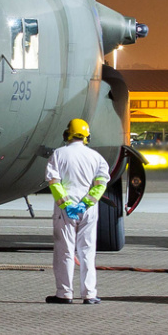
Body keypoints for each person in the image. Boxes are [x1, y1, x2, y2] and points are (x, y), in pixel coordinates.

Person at [44, 117, 111, 304]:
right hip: (88, 209)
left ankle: (64, 294)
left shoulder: (58, 154)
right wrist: (86, 203)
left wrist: (66, 204)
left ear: (67, 133)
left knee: (64, 251)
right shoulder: (96, 157)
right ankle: (89, 294)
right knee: (87, 251)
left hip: (65, 209)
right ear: (87, 136)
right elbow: (101, 183)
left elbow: (53, 181)